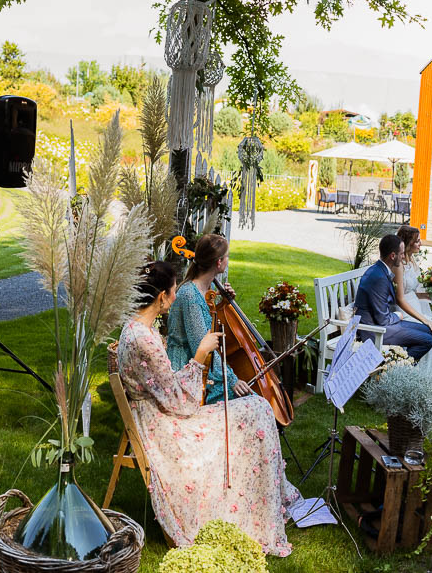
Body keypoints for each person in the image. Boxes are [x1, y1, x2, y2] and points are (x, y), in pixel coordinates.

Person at [116, 261, 299, 556]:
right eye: (173, 291)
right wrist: (201, 353)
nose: (176, 296)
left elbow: (167, 387)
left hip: (160, 414)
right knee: (257, 410)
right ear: (161, 297)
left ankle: (264, 498)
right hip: (164, 427)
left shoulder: (137, 329)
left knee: (256, 408)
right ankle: (256, 506)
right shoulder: (143, 339)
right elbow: (179, 401)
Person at [165, 234, 252, 405]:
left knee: (248, 397)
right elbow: (202, 347)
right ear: (219, 262)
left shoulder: (208, 288)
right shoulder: (190, 296)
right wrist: (231, 379)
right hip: (186, 371)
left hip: (202, 365)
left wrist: (224, 304)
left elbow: (207, 323)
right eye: (227, 256)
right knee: (247, 400)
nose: (228, 260)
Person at [356, 234, 432, 361]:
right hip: (373, 330)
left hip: (382, 323)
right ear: (393, 256)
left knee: (428, 330)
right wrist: (398, 315)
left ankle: (400, 363)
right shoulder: (379, 277)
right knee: (427, 340)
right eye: (402, 253)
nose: (404, 256)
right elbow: (383, 320)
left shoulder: (380, 270)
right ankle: (396, 368)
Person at [392, 226, 432, 368]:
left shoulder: (411, 260)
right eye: (417, 241)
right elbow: (399, 298)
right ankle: (428, 370)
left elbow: (409, 290)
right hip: (405, 313)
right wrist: (424, 320)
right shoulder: (398, 265)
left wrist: (424, 295)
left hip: (416, 309)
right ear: (408, 243)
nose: (420, 244)